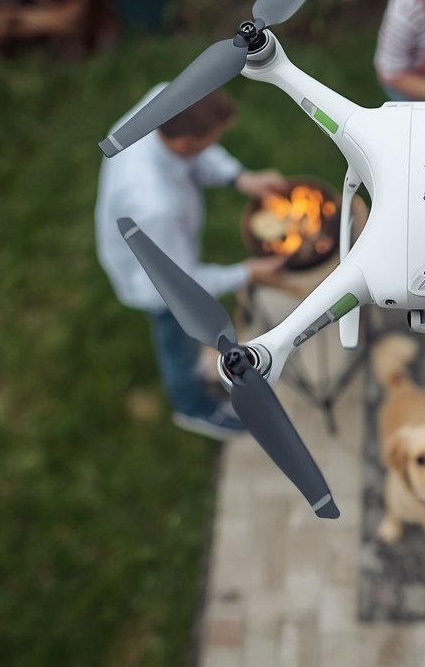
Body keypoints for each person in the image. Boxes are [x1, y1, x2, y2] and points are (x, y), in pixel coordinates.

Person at [95, 85, 288, 440]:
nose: (215, 144)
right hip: (155, 285)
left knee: (189, 337)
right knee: (177, 343)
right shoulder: (156, 205)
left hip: (161, 246)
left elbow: (200, 155)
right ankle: (192, 408)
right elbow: (182, 284)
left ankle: (197, 376)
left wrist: (239, 178)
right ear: (185, 144)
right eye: (213, 138)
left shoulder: (164, 101)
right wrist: (248, 272)